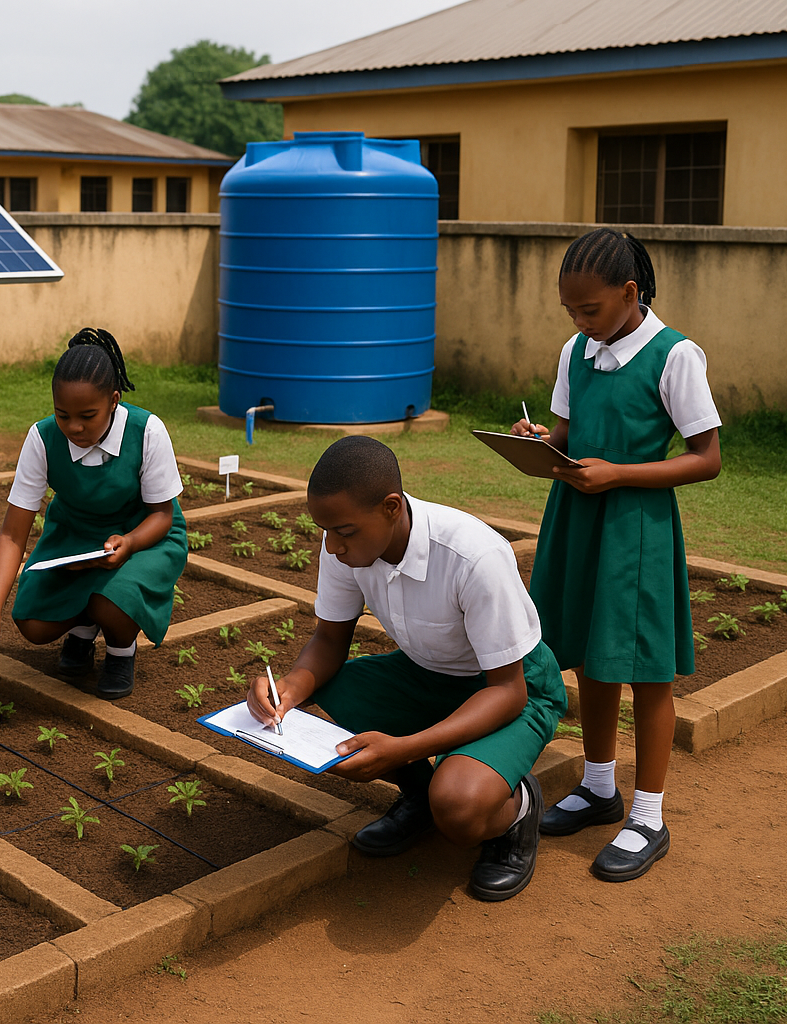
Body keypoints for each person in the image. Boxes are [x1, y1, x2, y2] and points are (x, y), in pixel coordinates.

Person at [247, 436, 567, 901]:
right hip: (430, 673)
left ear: (392, 507)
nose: (332, 545)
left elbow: (508, 690)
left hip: (512, 687)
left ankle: (517, 810)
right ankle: (420, 794)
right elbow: (329, 640)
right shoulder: (346, 540)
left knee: (458, 808)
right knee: (338, 689)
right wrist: (289, 691)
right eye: (325, 530)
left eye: (344, 532)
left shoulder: (473, 557)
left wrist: (403, 748)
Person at [512, 229, 721, 882]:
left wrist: (621, 475)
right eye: (571, 312)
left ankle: (649, 816)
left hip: (636, 530)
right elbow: (571, 437)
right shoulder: (576, 352)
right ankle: (600, 788)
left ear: (630, 293)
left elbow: (705, 458)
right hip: (580, 520)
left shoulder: (675, 356)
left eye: (591, 310)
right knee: (590, 659)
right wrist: (540, 442)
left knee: (647, 671)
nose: (580, 323)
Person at [0, 327, 187, 700]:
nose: (74, 427)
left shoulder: (147, 431)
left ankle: (120, 648)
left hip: (145, 536)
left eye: (87, 415)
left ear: (114, 400)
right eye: (62, 414)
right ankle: (83, 625)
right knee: (32, 621)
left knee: (113, 599)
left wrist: (129, 543)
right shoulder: (43, 438)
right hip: (77, 537)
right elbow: (12, 534)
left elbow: (163, 515)